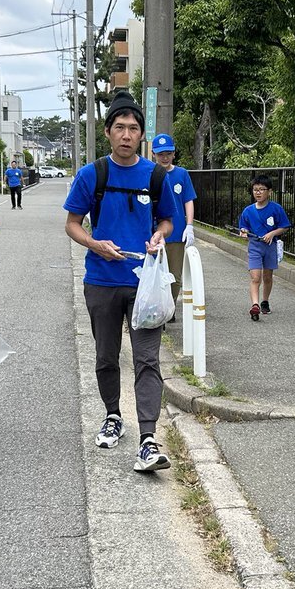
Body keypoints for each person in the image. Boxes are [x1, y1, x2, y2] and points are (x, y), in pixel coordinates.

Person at [64, 89, 175, 472]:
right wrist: (95, 244)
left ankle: (148, 439)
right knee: (105, 356)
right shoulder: (92, 175)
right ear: (108, 132)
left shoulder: (155, 175)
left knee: (147, 359)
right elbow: (72, 224)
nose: (126, 135)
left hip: (145, 283)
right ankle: (113, 415)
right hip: (101, 280)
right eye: (120, 128)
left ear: (142, 135)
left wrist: (159, 235)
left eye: (133, 129)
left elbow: (167, 220)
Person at [151, 133, 197, 317]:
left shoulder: (181, 174)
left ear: (174, 154)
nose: (165, 157)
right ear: (154, 154)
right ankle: (156, 310)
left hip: (177, 232)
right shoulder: (150, 173)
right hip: (153, 232)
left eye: (168, 153)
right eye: (160, 154)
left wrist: (189, 225)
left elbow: (188, 200)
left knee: (175, 275)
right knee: (154, 273)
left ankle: (169, 310)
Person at [238, 174, 291, 321]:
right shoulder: (248, 211)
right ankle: (255, 305)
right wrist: (243, 232)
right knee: (255, 277)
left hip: (270, 246)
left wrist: (272, 233)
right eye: (255, 189)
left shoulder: (276, 209)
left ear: (269, 191)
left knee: (268, 277)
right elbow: (243, 227)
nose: (258, 192)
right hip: (254, 246)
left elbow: (285, 226)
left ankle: (265, 301)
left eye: (262, 189)